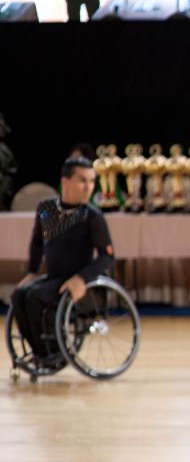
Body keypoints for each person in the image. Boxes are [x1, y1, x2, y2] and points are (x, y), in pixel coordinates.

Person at [11, 157, 114, 367]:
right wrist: (31, 271)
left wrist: (81, 279)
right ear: (65, 182)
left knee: (35, 297)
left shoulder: (92, 216)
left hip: (82, 282)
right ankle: (41, 351)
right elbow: (37, 243)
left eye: (92, 181)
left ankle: (55, 352)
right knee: (19, 295)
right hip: (56, 278)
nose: (89, 188)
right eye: (82, 181)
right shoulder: (47, 209)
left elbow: (107, 256)